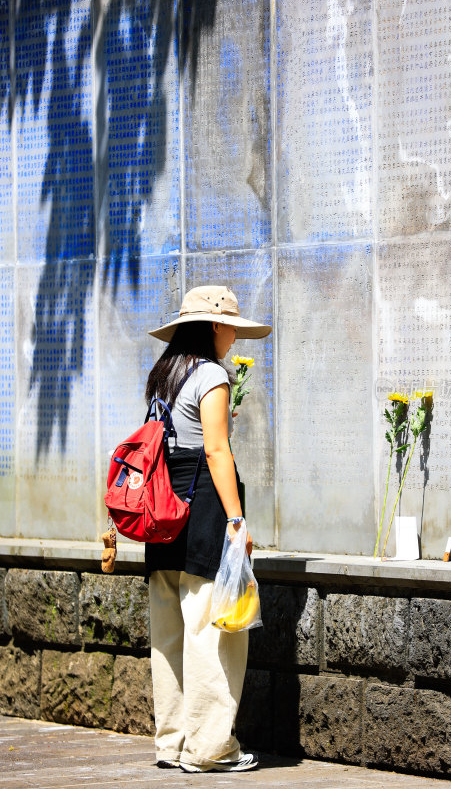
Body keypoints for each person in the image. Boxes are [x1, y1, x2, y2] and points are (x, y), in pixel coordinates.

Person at [144, 285, 272, 774]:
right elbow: (217, 451)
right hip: (201, 512)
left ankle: (172, 743)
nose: (235, 335)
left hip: (160, 510)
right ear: (214, 326)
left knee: (169, 631)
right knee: (210, 629)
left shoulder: (164, 374)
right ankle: (210, 748)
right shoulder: (213, 374)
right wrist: (237, 520)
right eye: (231, 326)